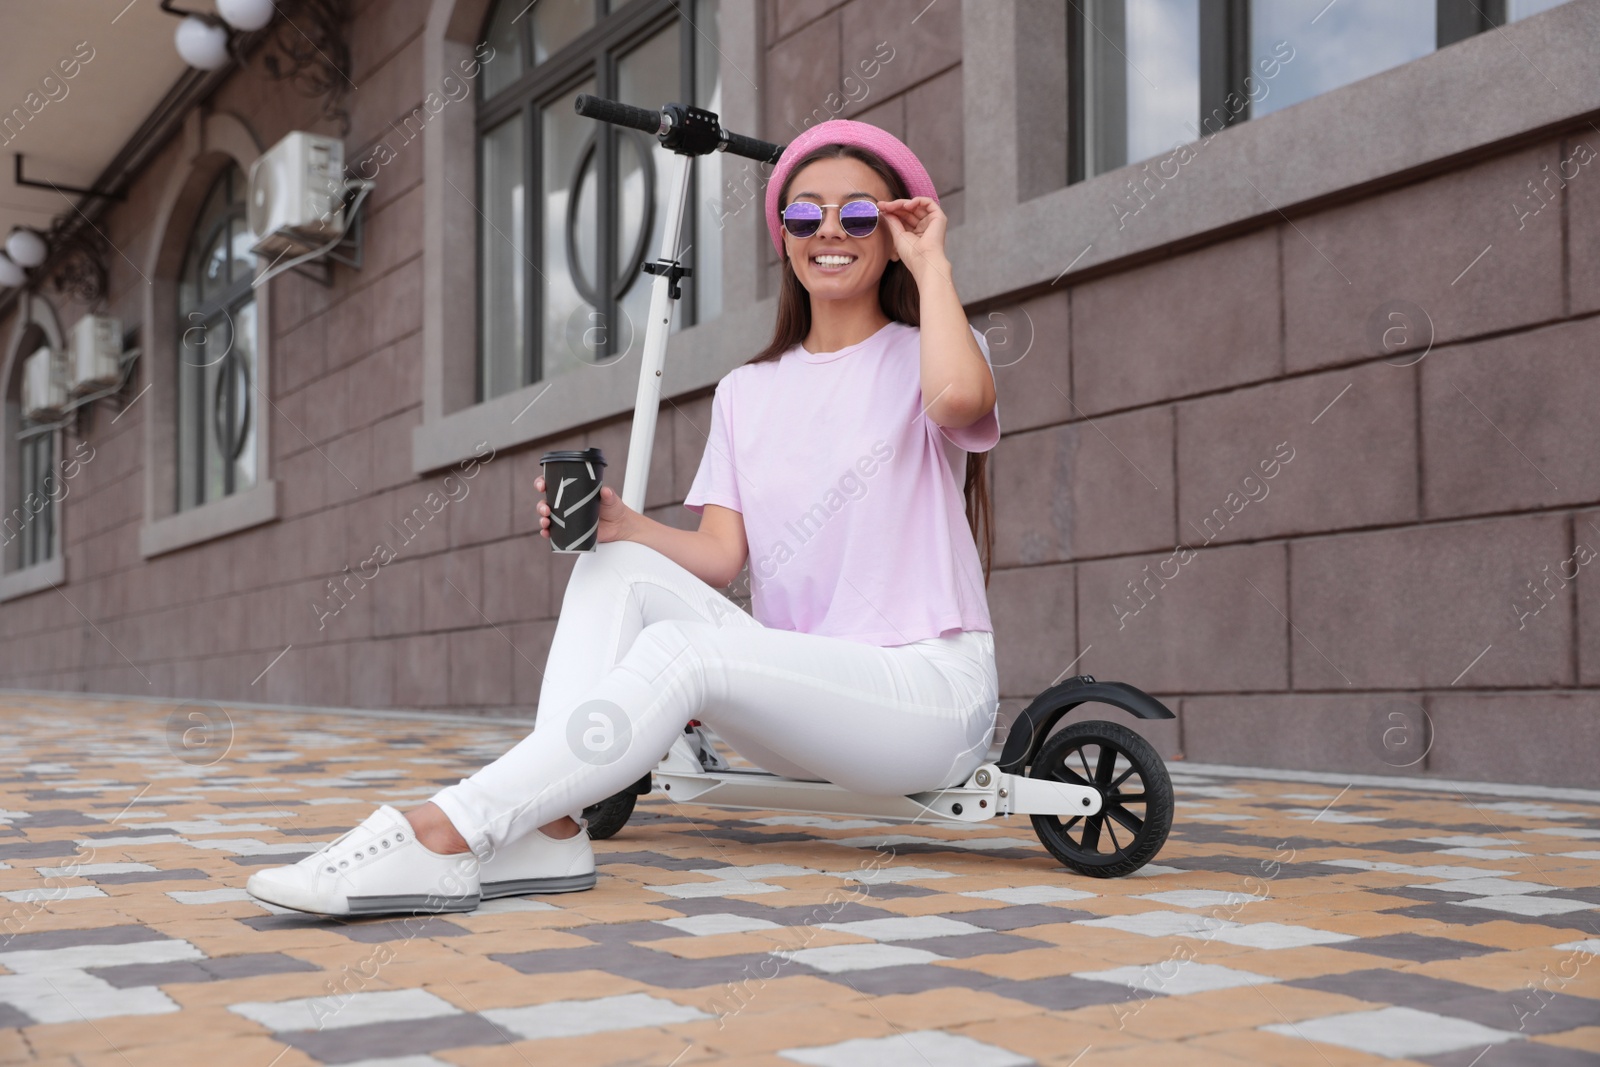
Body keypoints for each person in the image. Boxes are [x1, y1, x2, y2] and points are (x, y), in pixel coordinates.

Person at [245, 119, 1003, 917]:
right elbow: (718, 555)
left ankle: (448, 827)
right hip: (798, 705)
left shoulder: (933, 350)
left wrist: (934, 265)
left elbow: (958, 401)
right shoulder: (748, 391)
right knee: (611, 563)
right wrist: (622, 525)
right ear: (782, 237)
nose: (828, 232)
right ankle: (552, 824)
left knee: (683, 649)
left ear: (891, 233)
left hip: (923, 702)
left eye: (858, 216)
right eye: (804, 215)